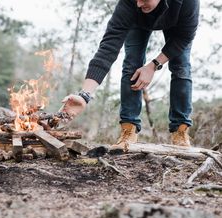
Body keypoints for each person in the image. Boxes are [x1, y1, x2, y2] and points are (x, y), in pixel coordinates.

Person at [60, 0, 200, 148]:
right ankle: (129, 129)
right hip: (139, 23)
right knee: (132, 65)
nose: (139, 4)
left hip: (177, 26)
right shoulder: (130, 4)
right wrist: (84, 95)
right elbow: (108, 48)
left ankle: (180, 131)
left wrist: (153, 66)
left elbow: (184, 37)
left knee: (181, 67)